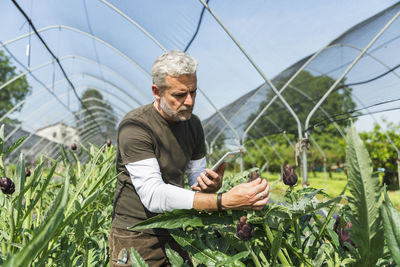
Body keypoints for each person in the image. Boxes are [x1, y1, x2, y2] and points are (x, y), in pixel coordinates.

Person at [109, 50, 270, 266]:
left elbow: (195, 177)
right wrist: (223, 201)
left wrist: (209, 184)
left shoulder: (192, 124)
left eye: (193, 92)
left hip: (176, 226)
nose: (189, 101)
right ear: (157, 92)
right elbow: (153, 195)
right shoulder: (136, 127)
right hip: (137, 234)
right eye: (179, 95)